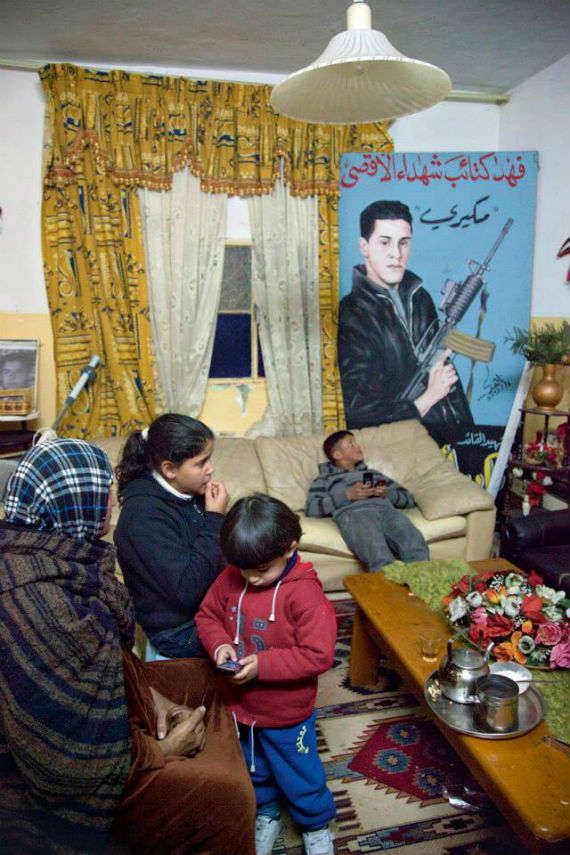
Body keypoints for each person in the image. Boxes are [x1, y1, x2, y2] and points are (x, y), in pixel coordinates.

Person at [0, 437, 256, 855]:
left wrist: (157, 702)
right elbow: (65, 759)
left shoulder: (57, 553)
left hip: (112, 712)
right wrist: (161, 750)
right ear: (73, 503)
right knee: (227, 800)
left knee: (206, 675)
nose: (112, 502)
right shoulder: (44, 607)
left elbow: (112, 661)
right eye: (103, 492)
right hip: (80, 777)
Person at [196, 494, 337, 855]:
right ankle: (267, 812)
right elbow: (207, 616)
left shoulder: (305, 594)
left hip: (287, 711)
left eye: (261, 569)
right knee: (253, 765)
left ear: (289, 549)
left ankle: (316, 825)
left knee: (299, 772)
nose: (251, 578)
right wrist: (219, 646)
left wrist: (263, 665)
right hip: (240, 706)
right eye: (243, 569)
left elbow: (318, 654)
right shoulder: (233, 575)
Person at [337, 199, 474, 445]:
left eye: (404, 243)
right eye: (384, 242)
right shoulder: (351, 313)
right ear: (364, 246)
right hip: (396, 447)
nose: (396, 254)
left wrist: (470, 437)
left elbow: (443, 368)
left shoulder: (419, 297)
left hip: (446, 439)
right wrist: (427, 399)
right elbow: (357, 410)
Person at [114, 413, 229, 658]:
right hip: (177, 631)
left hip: (210, 611)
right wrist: (215, 519)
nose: (210, 469)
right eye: (201, 463)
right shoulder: (143, 515)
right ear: (169, 469)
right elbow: (187, 590)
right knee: (266, 640)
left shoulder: (189, 492)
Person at [306, 430, 429, 572]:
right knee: (379, 555)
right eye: (351, 444)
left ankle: (421, 582)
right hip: (354, 514)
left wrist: (388, 494)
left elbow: (408, 499)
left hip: (387, 511)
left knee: (414, 544)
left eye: (356, 443)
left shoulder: (374, 474)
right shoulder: (325, 479)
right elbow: (311, 509)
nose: (358, 446)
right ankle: (386, 584)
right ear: (337, 455)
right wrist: (346, 495)